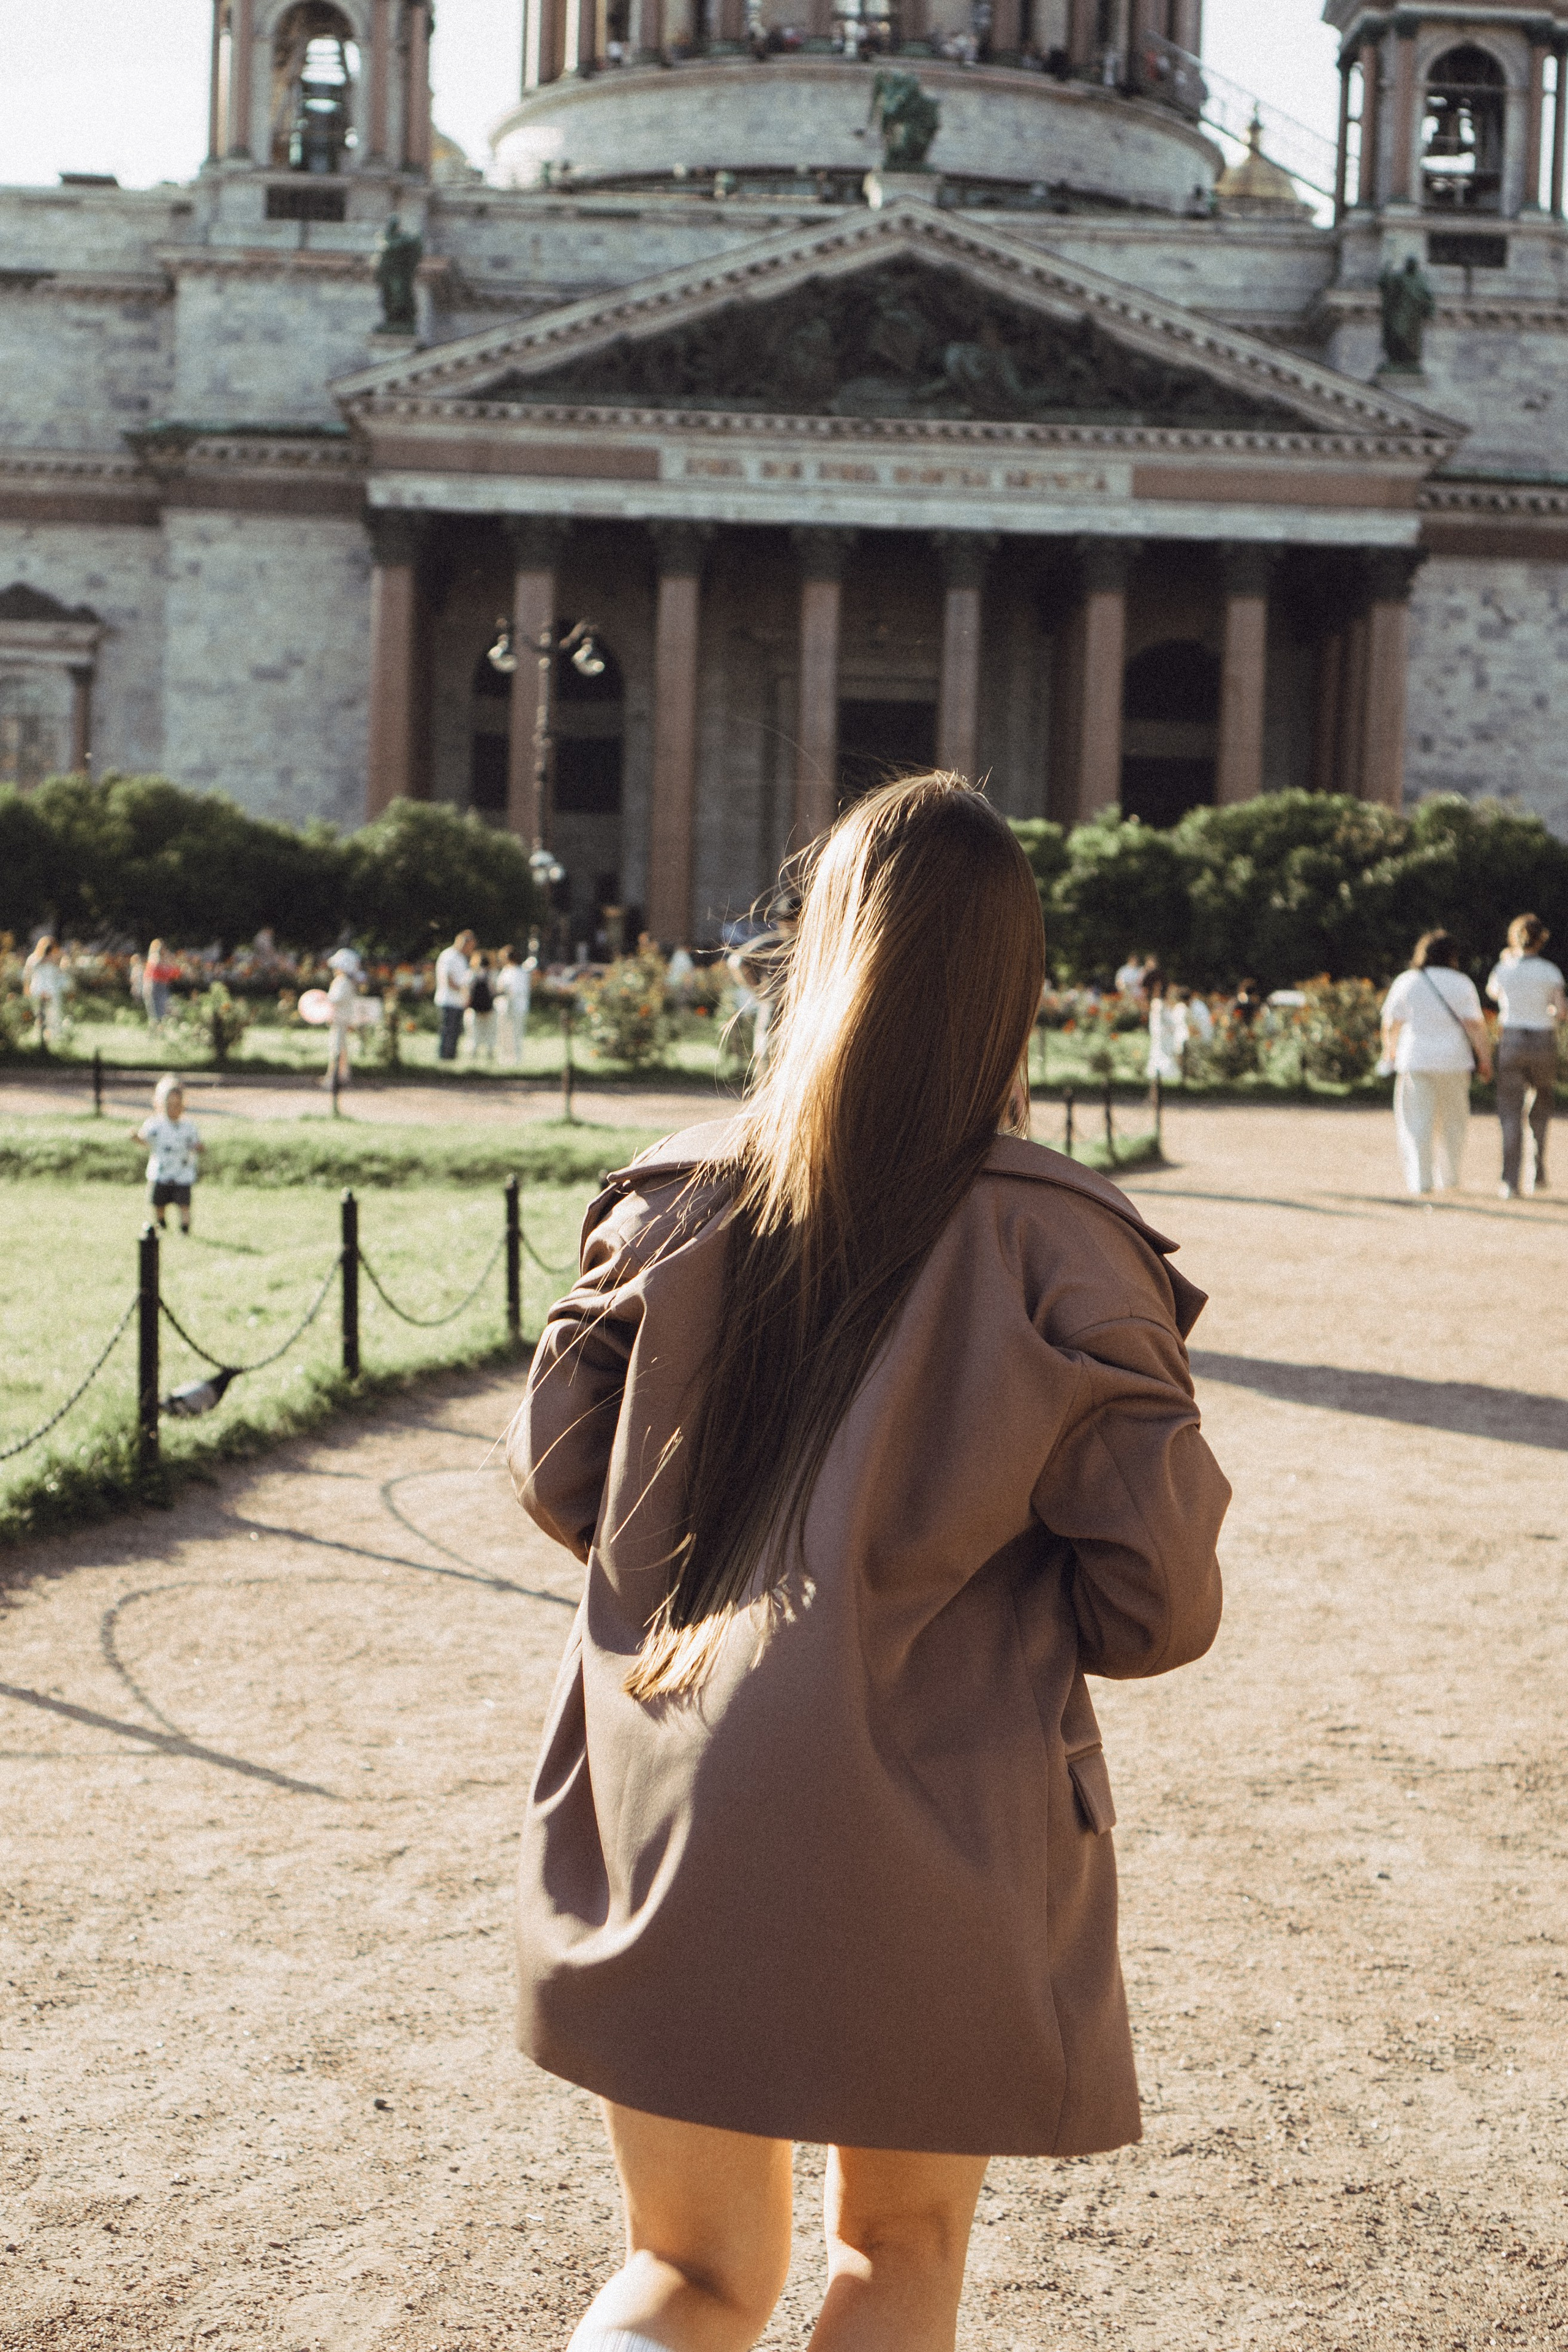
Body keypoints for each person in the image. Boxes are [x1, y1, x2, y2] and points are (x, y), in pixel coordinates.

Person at [509, 775, 1229, 2352]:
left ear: (816, 950)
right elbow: (1155, 1604)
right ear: (1013, 987)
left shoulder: (669, 1201)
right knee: (891, 2249)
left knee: (685, 2271)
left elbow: (562, 1478)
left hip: (668, 1773)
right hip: (935, 1812)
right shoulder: (1064, 1242)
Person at [1381, 929, 1493, 1197]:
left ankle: (1421, 1181)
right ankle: (1450, 1179)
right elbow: (1475, 1026)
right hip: (1454, 1061)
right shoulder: (1462, 983)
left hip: (1416, 1060)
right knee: (1454, 1123)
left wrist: (1389, 1053)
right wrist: (1485, 1058)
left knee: (1417, 1123)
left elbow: (1391, 1024)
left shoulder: (1408, 981)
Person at [1487, 913, 1564, 1198]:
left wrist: (1506, 959)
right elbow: (1561, 1010)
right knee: (1541, 1107)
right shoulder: (1550, 971)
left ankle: (1510, 1182)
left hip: (1512, 1039)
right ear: (1541, 939)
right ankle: (1537, 1174)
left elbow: (1493, 993)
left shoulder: (1504, 968)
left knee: (1510, 1112)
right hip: (1543, 1040)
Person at [728, 887, 801, 1079]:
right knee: (768, 1069)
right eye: (786, 921)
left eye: (793, 921)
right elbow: (737, 963)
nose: (789, 926)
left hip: (799, 1017)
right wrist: (759, 990)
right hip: (773, 1015)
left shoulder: (807, 947)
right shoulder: (773, 945)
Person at [134, 1075, 203, 1234]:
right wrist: (136, 1138)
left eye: (177, 1105)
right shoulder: (155, 1124)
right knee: (159, 1202)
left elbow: (196, 1144)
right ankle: (161, 1224)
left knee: (184, 1203)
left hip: (182, 1173)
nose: (173, 1109)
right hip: (161, 1172)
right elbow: (146, 1140)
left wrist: (199, 1147)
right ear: (159, 1104)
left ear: (183, 1105)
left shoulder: (188, 1126)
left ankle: (184, 1229)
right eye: (169, 1105)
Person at [322, 948, 360, 1091]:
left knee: (336, 1048)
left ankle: (333, 1078)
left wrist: (323, 1000)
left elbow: (334, 999)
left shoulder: (341, 981)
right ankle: (342, 1075)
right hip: (343, 1019)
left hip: (339, 1020)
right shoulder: (348, 982)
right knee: (341, 1048)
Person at [434, 929, 474, 1062]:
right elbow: (448, 980)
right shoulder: (448, 956)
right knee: (448, 1030)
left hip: (458, 1001)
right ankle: (445, 1057)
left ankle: (451, 1056)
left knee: (455, 1031)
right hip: (448, 1000)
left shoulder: (461, 958)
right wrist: (463, 991)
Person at [24, 936, 69, 1046]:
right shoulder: (33, 958)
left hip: (52, 990)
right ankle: (40, 1037)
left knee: (53, 1015)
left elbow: (62, 973)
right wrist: (26, 988)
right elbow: (27, 974)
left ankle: (51, 1038)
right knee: (39, 1014)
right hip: (38, 989)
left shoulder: (57, 959)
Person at [1145, 968, 1187, 1083]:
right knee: (1161, 1058)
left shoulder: (1166, 1005)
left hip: (1168, 1037)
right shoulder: (1158, 1004)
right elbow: (1156, 1024)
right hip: (1162, 1037)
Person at [496, 944, 535, 1065]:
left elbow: (516, 991)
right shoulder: (506, 971)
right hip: (504, 1007)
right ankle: (505, 1057)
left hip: (517, 1007)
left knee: (516, 1033)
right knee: (504, 1033)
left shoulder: (520, 972)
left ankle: (515, 1058)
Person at [141, 938, 179, 1029]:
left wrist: (171, 965)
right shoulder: (155, 958)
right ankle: (156, 1029)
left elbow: (174, 973)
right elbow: (158, 971)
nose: (162, 949)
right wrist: (169, 965)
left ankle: (161, 1028)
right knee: (155, 1011)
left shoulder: (164, 959)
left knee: (164, 1009)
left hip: (161, 985)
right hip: (154, 985)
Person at [467, 952, 497, 1061]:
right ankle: (490, 1052)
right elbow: (493, 991)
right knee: (490, 1031)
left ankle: (473, 1052)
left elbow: (468, 990)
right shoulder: (492, 974)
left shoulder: (471, 973)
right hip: (489, 1008)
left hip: (474, 1008)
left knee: (474, 1032)